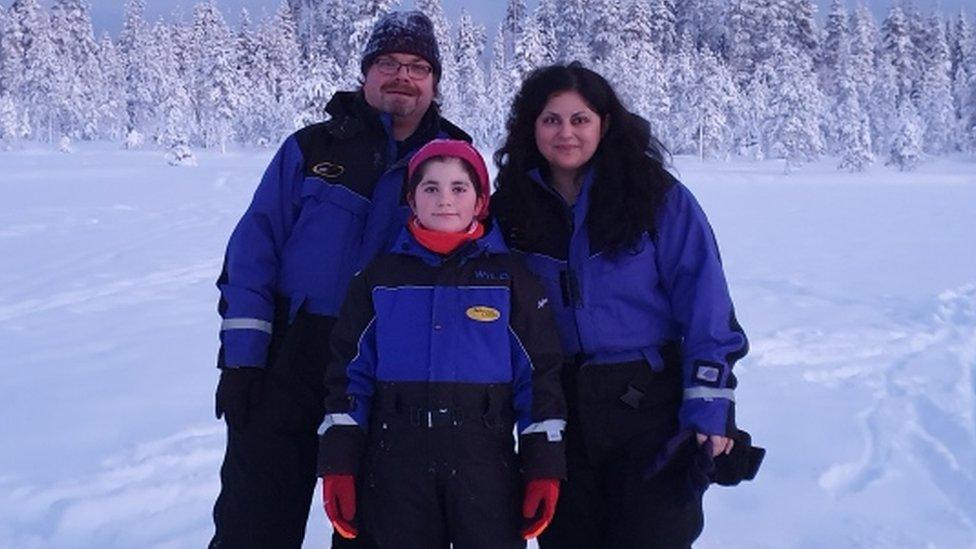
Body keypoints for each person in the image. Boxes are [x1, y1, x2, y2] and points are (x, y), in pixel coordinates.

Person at [210, 11, 470, 548]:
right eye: (388, 63)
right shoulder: (310, 150)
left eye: (418, 66)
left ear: (435, 82)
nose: (403, 75)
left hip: (389, 370)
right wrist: (242, 360)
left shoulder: (450, 162)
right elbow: (253, 253)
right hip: (291, 357)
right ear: (365, 73)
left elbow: (476, 270)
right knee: (252, 524)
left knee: (372, 531)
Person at [491, 62, 750, 548]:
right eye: (551, 119)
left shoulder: (658, 198)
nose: (565, 132)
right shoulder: (509, 210)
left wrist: (711, 409)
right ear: (531, 126)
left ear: (604, 124)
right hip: (558, 409)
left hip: (649, 406)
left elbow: (706, 309)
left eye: (580, 119)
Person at [316, 139, 567, 549]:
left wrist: (544, 465)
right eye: (430, 188)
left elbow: (539, 378)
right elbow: (348, 374)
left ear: (480, 200)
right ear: (411, 199)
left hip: (485, 464)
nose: (444, 200)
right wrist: (339, 461)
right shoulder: (379, 277)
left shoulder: (512, 279)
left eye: (459, 188)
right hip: (395, 462)